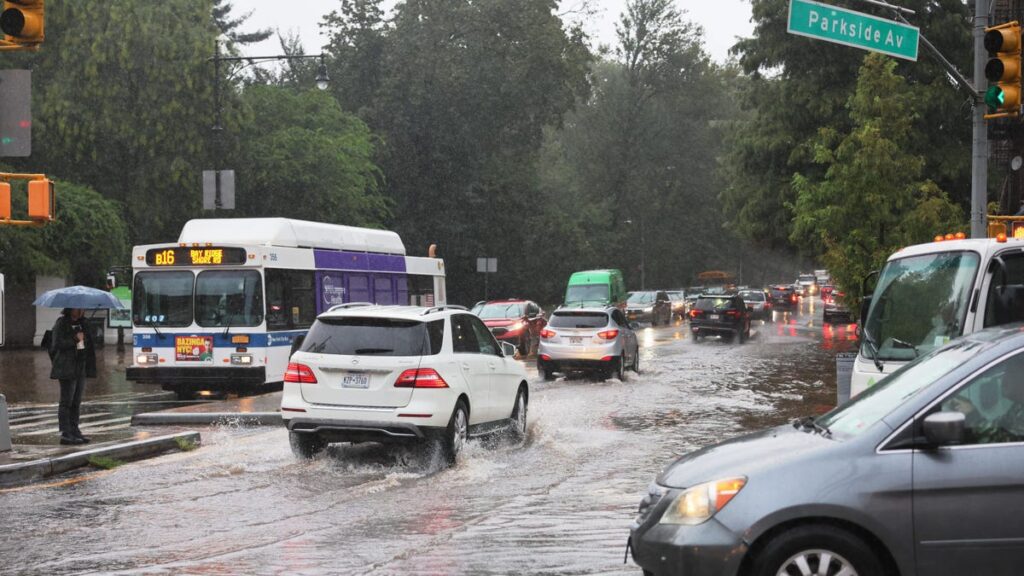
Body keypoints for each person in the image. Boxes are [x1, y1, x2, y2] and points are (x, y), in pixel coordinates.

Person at [49, 308, 97, 445]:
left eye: (82, 309)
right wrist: (75, 339)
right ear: (70, 309)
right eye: (77, 308)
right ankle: (66, 433)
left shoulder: (83, 323)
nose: (81, 311)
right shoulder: (61, 323)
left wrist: (85, 337)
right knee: (66, 401)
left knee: (76, 401)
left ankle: (75, 430)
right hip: (66, 367)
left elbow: (88, 344)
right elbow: (57, 344)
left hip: (80, 367)